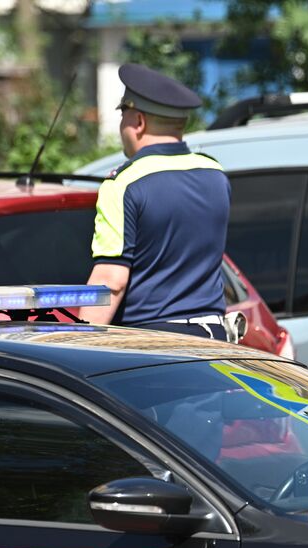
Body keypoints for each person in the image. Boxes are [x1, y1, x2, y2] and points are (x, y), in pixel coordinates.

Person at [79, 63, 231, 340]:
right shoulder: (214, 174)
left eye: (123, 113)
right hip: (214, 338)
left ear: (138, 121)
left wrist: (76, 344)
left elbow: (111, 280)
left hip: (153, 344)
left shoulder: (123, 183)